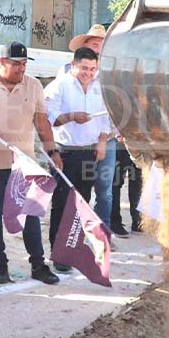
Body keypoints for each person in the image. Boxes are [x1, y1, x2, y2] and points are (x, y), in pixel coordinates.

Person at [0, 42, 61, 286]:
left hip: (24, 163)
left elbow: (42, 122)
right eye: (16, 63)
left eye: (24, 64)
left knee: (30, 213)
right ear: (2, 62)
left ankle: (38, 264)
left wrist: (52, 151)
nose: (21, 68)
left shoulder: (34, 85)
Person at [44, 47, 111, 272]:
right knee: (62, 204)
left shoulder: (99, 88)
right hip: (64, 153)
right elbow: (48, 118)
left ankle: (74, 249)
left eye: (92, 69)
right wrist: (72, 117)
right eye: (84, 68)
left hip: (88, 154)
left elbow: (105, 120)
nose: (88, 73)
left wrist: (102, 142)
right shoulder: (59, 85)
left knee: (83, 204)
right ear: (73, 65)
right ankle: (59, 253)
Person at [60, 24, 116, 231]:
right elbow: (52, 114)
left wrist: (104, 140)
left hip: (105, 139)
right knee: (72, 194)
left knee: (104, 191)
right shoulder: (65, 77)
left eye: (102, 45)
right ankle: (74, 236)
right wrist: (72, 117)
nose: (98, 49)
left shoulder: (110, 74)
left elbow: (109, 111)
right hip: (73, 144)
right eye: (94, 44)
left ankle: (103, 233)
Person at [111, 140, 142, 235]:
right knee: (115, 183)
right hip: (120, 143)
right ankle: (114, 223)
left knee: (138, 183)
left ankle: (138, 221)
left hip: (138, 143)